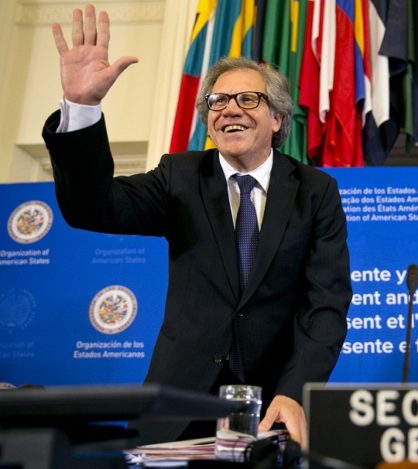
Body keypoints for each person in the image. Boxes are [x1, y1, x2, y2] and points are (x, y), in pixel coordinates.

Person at [42, 5, 352, 447]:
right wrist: (82, 107)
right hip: (177, 406)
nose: (230, 109)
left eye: (248, 99)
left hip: (271, 409)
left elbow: (326, 305)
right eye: (217, 102)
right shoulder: (180, 176)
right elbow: (92, 208)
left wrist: (294, 391)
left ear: (278, 118)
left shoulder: (315, 191)